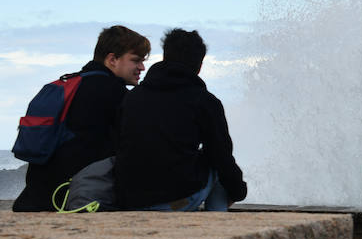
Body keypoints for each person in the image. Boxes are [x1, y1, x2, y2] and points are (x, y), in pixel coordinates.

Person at [12, 25, 150, 211]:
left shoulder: (72, 84)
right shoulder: (115, 94)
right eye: (136, 60)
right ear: (112, 59)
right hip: (75, 198)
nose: (141, 67)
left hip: (36, 197)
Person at [116, 28, 247, 211]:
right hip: (172, 202)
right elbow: (221, 157)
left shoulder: (133, 97)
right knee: (217, 165)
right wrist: (238, 192)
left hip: (129, 200)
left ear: (165, 57)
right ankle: (217, 226)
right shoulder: (204, 101)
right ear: (199, 66)